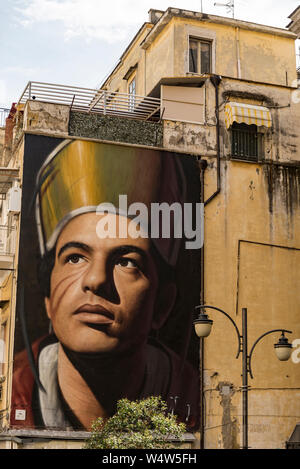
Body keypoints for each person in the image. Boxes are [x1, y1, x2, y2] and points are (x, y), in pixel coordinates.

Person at [11, 139, 200, 431]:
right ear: (48, 295)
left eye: (127, 262)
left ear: (162, 303)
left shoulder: (199, 404)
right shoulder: (14, 391)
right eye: (75, 257)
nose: (97, 279)